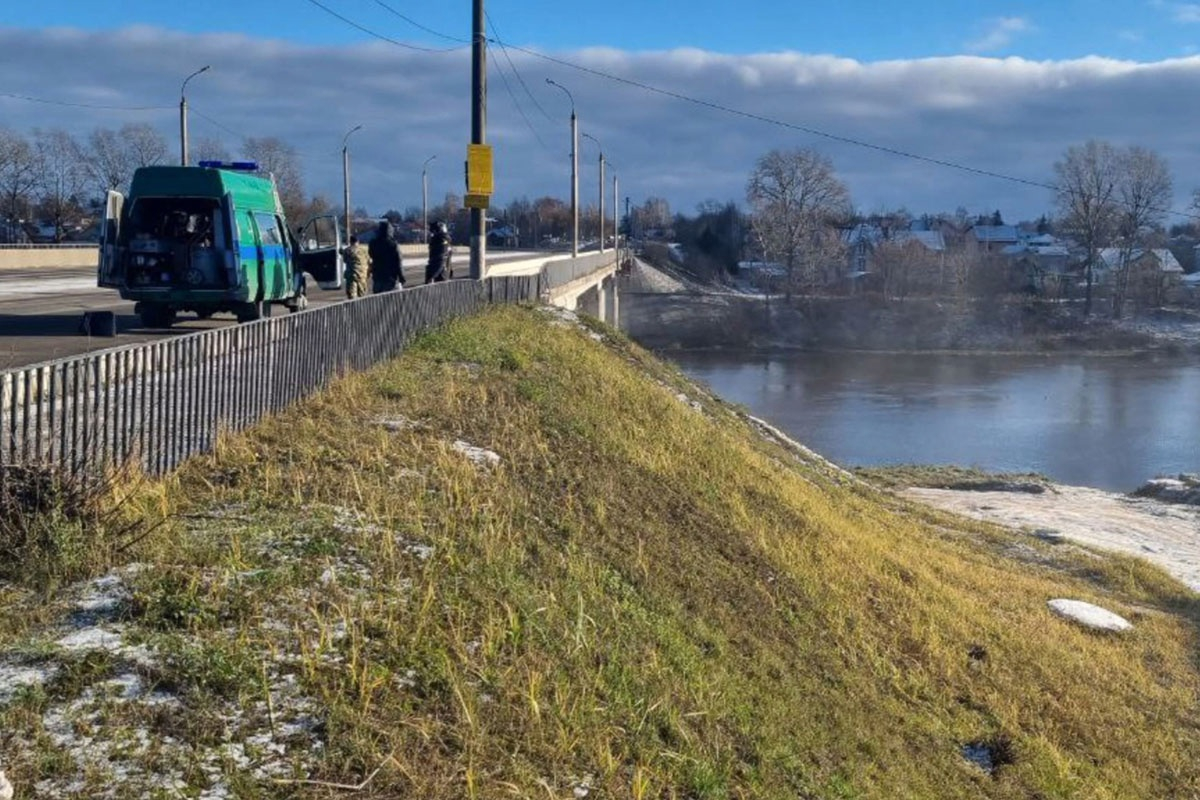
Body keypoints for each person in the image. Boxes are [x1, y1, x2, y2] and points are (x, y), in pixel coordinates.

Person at [367, 221, 405, 293]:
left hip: (377, 276)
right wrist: (402, 277)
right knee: (390, 300)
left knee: (377, 299)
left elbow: (370, 255)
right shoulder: (393, 245)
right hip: (390, 278)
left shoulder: (373, 243)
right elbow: (398, 262)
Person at [341, 234, 370, 299]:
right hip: (362, 275)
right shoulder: (364, 250)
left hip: (352, 275)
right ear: (358, 241)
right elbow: (369, 261)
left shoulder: (347, 250)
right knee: (363, 296)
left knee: (352, 297)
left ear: (350, 241)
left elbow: (345, 260)